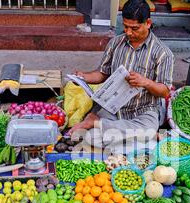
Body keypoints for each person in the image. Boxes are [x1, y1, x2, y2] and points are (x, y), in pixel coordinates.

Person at [67, 0, 175, 154]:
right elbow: (102, 73)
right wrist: (84, 77)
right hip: (114, 109)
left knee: (146, 128)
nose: (129, 32)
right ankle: (142, 139)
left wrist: (146, 82)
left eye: (134, 28)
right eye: (125, 27)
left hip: (144, 111)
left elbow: (164, 91)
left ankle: (99, 124)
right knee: (90, 138)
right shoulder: (115, 43)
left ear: (148, 23)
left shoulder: (163, 53)